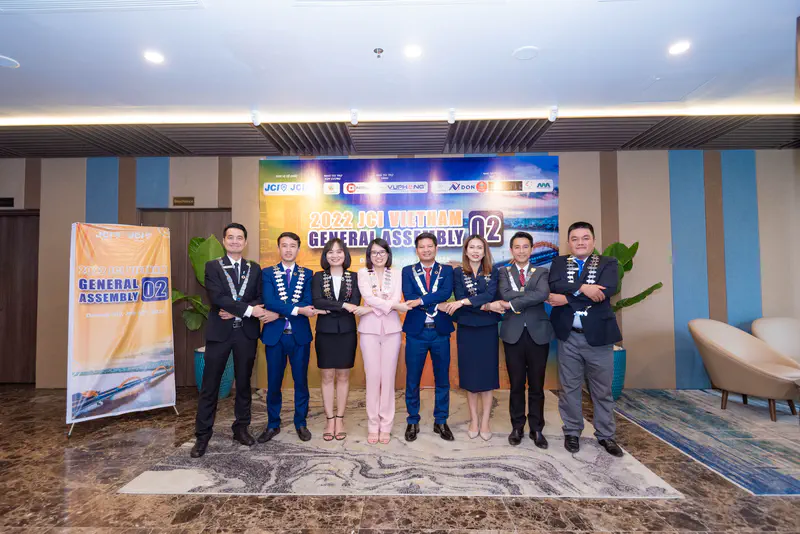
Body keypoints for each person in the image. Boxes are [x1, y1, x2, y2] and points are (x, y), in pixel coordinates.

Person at [191, 223, 277, 458]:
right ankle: (202, 436)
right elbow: (217, 297)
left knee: (243, 384)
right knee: (210, 386)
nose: (235, 241)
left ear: (245, 242)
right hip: (220, 334)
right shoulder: (213, 267)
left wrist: (239, 311)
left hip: (246, 335)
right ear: (224, 240)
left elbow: (261, 298)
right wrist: (247, 310)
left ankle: (241, 428)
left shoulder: (255, 268)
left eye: (240, 238)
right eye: (231, 237)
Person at [547, 221, 624, 457]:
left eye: (585, 238)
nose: (580, 242)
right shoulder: (559, 262)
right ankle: (572, 431)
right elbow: (555, 285)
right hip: (568, 336)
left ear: (593, 240)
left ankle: (606, 435)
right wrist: (584, 288)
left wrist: (568, 298)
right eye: (575, 239)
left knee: (602, 390)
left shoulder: (608, 263)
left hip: (599, 338)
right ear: (569, 242)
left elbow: (607, 290)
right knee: (569, 388)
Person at [258, 232, 324, 443]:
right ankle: (272, 424)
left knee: (301, 382)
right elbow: (269, 301)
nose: (288, 249)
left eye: (292, 246)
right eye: (284, 245)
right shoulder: (267, 273)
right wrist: (294, 311)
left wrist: (281, 311)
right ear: (278, 248)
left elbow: (307, 302)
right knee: (274, 382)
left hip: (299, 337)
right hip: (275, 337)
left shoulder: (307, 274)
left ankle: (300, 423)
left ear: (298, 249)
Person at [497, 231, 554, 448]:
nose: (521, 251)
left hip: (538, 334)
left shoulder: (541, 271)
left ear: (531, 249)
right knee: (517, 384)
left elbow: (542, 294)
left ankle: (537, 429)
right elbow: (504, 293)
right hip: (513, 334)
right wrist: (523, 297)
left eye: (525, 247)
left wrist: (513, 302)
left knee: (537, 385)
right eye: (517, 247)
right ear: (511, 250)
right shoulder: (503, 272)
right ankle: (517, 427)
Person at [441, 234, 501, 441]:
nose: (475, 251)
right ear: (466, 251)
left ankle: (485, 421)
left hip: (488, 329)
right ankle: (474, 420)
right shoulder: (458, 273)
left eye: (479, 248)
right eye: (471, 247)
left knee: (487, 377)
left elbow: (489, 296)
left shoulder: (494, 272)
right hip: (466, 328)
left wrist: (466, 303)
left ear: (485, 251)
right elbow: (458, 297)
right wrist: (478, 305)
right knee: (470, 376)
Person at [311, 238, 368, 442]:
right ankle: (329, 419)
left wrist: (331, 306)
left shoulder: (354, 277)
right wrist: (343, 306)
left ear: (345, 255)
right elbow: (317, 301)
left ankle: (340, 419)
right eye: (330, 252)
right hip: (325, 332)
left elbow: (356, 302)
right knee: (326, 376)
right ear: (325, 256)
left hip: (347, 332)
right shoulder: (318, 277)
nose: (335, 255)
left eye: (339, 251)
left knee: (343, 376)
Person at [402, 232, 455, 442]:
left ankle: (440, 420)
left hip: (440, 331)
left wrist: (421, 301)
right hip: (417, 332)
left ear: (436, 248)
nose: (426, 249)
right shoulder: (407, 271)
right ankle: (412, 420)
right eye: (421, 247)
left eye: (429, 246)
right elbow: (408, 296)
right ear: (416, 250)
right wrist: (433, 303)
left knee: (442, 379)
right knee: (412, 379)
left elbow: (445, 292)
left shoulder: (447, 271)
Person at [357, 238, 408, 444]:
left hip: (392, 329)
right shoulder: (362, 274)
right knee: (373, 377)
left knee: (388, 378)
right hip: (369, 330)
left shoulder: (396, 274)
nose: (378, 256)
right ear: (369, 255)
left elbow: (395, 298)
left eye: (382, 252)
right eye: (374, 252)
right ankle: (372, 425)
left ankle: (386, 425)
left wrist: (378, 306)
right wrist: (381, 306)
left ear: (388, 254)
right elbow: (368, 297)